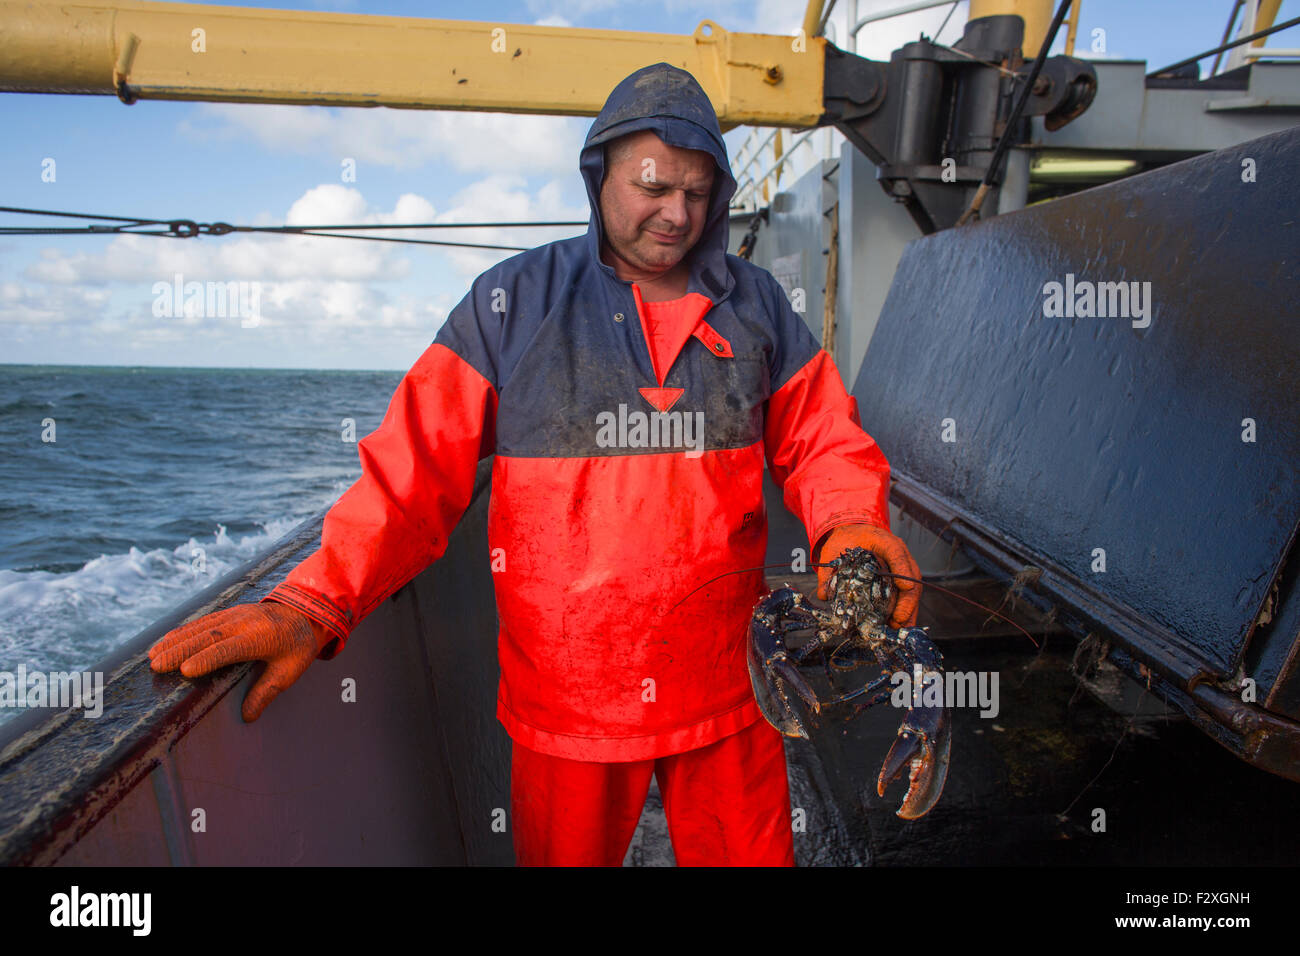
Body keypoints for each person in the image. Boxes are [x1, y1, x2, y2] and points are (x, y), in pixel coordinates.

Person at [149, 62, 921, 866]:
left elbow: (824, 436)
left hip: (732, 686)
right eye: (653, 186)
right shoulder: (508, 303)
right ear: (601, 175)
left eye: (697, 193)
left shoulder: (757, 304)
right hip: (568, 703)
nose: (676, 214)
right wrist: (314, 601)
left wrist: (852, 523)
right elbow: (413, 474)